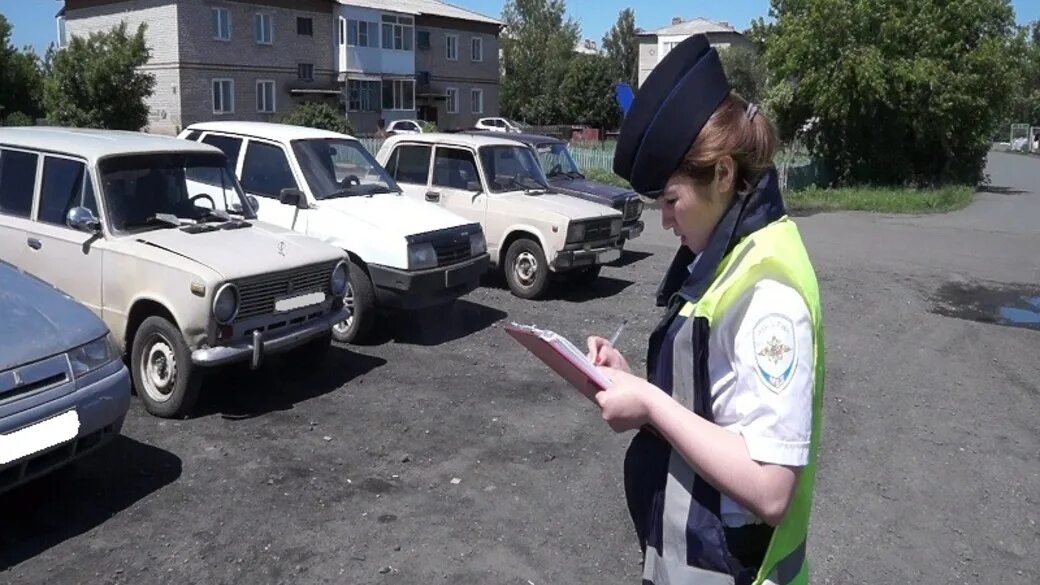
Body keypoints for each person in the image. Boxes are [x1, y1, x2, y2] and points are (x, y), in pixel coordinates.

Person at [586, 34, 824, 585]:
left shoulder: (769, 295)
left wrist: (647, 403)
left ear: (722, 175)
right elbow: (717, 405)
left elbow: (771, 490)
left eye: (670, 202)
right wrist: (635, 384)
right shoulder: (723, 257)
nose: (665, 222)